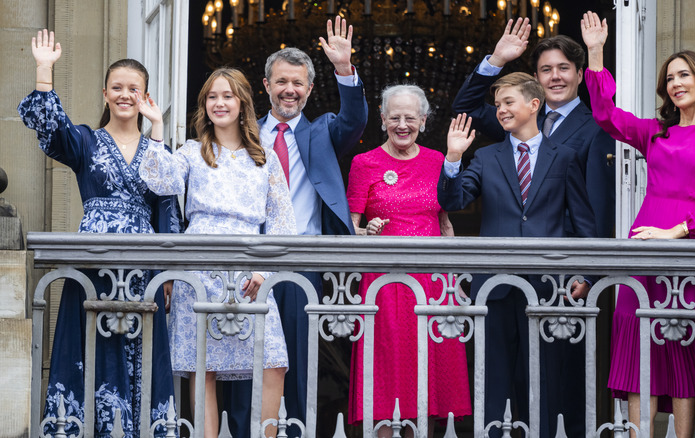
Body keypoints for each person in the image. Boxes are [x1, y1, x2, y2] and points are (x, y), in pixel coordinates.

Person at [450, 19, 615, 435]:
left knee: (553, 381)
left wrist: (588, 270)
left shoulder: (597, 123)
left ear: (578, 75)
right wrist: (497, 59)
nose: (555, 77)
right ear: (536, 82)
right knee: (495, 379)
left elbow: (591, 210)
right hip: (499, 280)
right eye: (545, 69)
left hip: (556, 276)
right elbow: (467, 108)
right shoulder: (500, 137)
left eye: (564, 68)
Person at [581, 11, 695, 438]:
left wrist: (676, 232)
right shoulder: (656, 133)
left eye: (684, 75)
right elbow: (606, 116)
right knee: (641, 353)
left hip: (686, 251)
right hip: (644, 249)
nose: (675, 83)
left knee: (683, 349)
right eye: (670, 78)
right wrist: (597, 53)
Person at [18, 30, 181, 437]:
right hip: (94, 261)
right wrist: (43, 71)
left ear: (146, 98)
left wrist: (167, 270)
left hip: (143, 266)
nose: (126, 95)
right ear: (105, 93)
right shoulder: (87, 141)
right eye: (118, 88)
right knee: (90, 345)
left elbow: (166, 203)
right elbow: (51, 131)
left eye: (135, 89)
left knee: (141, 351)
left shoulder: (156, 147)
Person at [223, 16, 369, 437]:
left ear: (308, 89)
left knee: (298, 361)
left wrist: (345, 68)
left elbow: (355, 120)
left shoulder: (322, 131)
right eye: (281, 81)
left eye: (298, 83)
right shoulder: (244, 134)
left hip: (301, 261)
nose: (290, 89)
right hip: (247, 260)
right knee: (241, 357)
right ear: (266, 86)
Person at [139, 67, 296, 438]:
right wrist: (157, 129)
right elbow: (160, 181)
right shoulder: (193, 151)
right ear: (204, 105)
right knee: (201, 366)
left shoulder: (265, 157)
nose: (219, 103)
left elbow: (282, 221)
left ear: (242, 103)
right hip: (201, 267)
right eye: (212, 97)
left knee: (274, 362)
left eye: (227, 96)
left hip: (250, 271)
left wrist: (264, 273)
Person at [346, 85, 472, 436]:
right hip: (384, 285)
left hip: (432, 284)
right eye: (395, 117)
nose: (403, 124)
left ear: (424, 121)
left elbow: (446, 222)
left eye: (410, 118)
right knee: (386, 371)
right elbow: (348, 230)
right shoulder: (364, 163)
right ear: (383, 119)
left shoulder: (437, 161)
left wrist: (454, 282)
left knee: (429, 372)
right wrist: (365, 233)